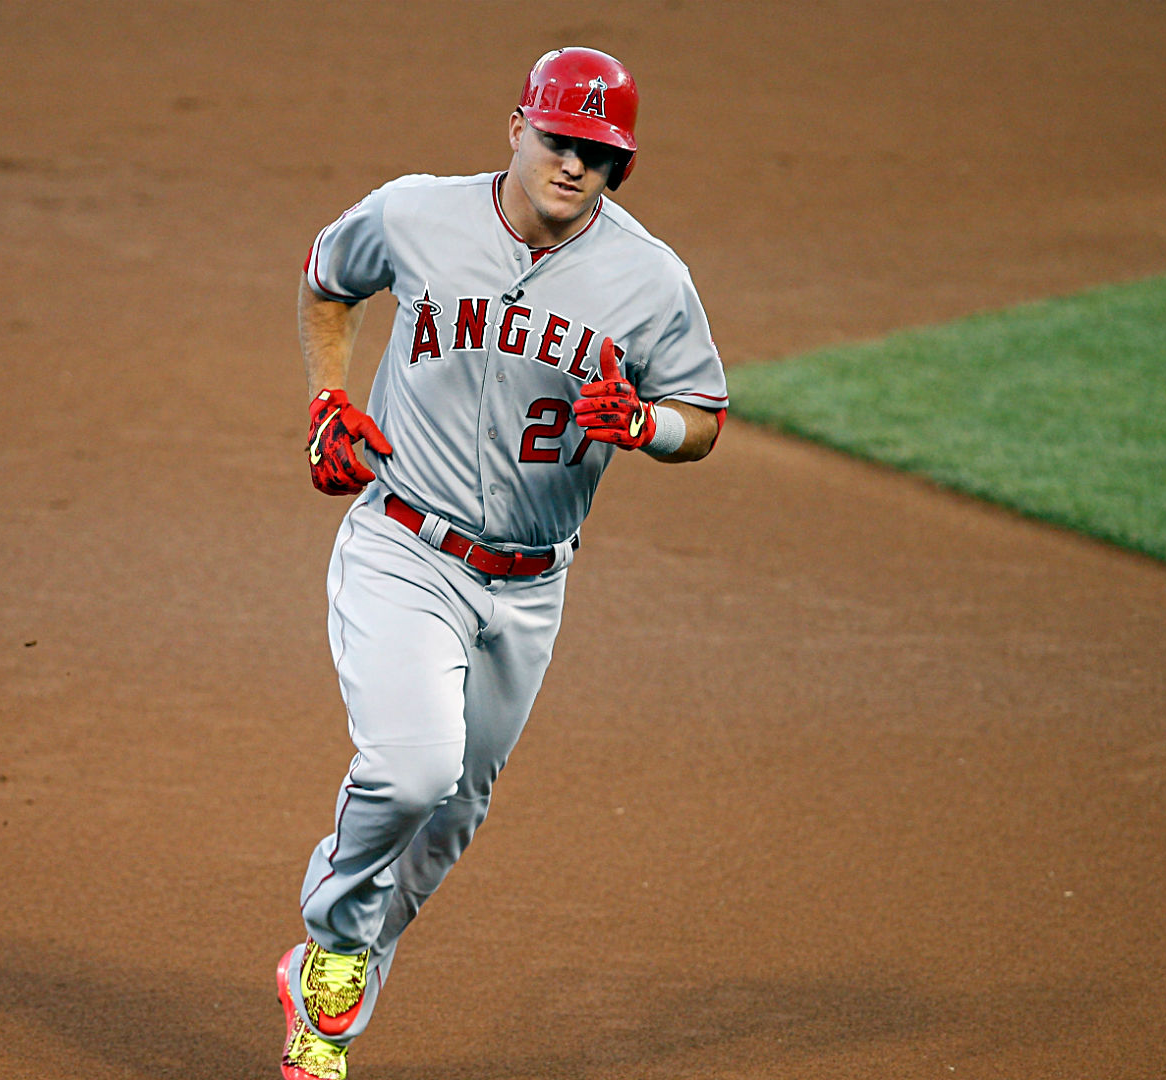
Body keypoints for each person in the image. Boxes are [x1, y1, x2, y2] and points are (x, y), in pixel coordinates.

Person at [278, 46, 729, 1080]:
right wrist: (327, 398)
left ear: (621, 168)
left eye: (599, 154)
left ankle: (326, 1004)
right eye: (559, 140)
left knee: (453, 817)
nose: (574, 166)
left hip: (531, 584)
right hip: (405, 543)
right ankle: (336, 938)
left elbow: (702, 418)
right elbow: (326, 280)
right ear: (516, 129)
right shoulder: (414, 215)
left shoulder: (651, 279)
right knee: (411, 771)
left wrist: (648, 425)